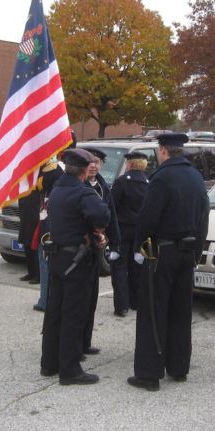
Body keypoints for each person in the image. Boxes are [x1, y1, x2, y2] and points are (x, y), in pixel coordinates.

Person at [127, 133, 209, 392]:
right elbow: (203, 217)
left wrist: (140, 247)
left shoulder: (161, 177)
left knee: (153, 310)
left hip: (162, 252)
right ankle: (178, 366)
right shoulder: (195, 176)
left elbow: (148, 217)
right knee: (181, 311)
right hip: (187, 252)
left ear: (163, 150)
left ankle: (149, 373)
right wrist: (196, 252)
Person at [40, 148, 110, 385]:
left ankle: (49, 363)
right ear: (84, 170)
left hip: (58, 257)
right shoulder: (83, 192)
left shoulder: (57, 189)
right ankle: (70, 370)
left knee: (54, 311)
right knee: (73, 313)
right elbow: (102, 216)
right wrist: (96, 229)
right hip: (76, 260)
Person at [82, 147, 120, 356]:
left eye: (96, 162)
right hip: (81, 248)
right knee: (80, 299)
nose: (93, 166)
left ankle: (85, 341)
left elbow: (112, 215)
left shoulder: (103, 186)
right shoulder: (79, 186)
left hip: (97, 248)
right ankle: (76, 344)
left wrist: (115, 243)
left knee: (91, 298)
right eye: (89, 162)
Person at [110, 151, 150, 316]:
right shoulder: (149, 183)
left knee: (119, 266)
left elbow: (112, 206)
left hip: (122, 229)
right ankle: (136, 302)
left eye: (127, 163)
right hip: (141, 231)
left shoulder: (121, 182)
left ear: (131, 164)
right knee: (137, 266)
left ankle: (122, 305)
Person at [33, 155, 64, 312]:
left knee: (45, 261)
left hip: (50, 221)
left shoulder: (52, 170)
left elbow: (40, 186)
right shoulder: (59, 171)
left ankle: (45, 301)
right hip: (55, 220)